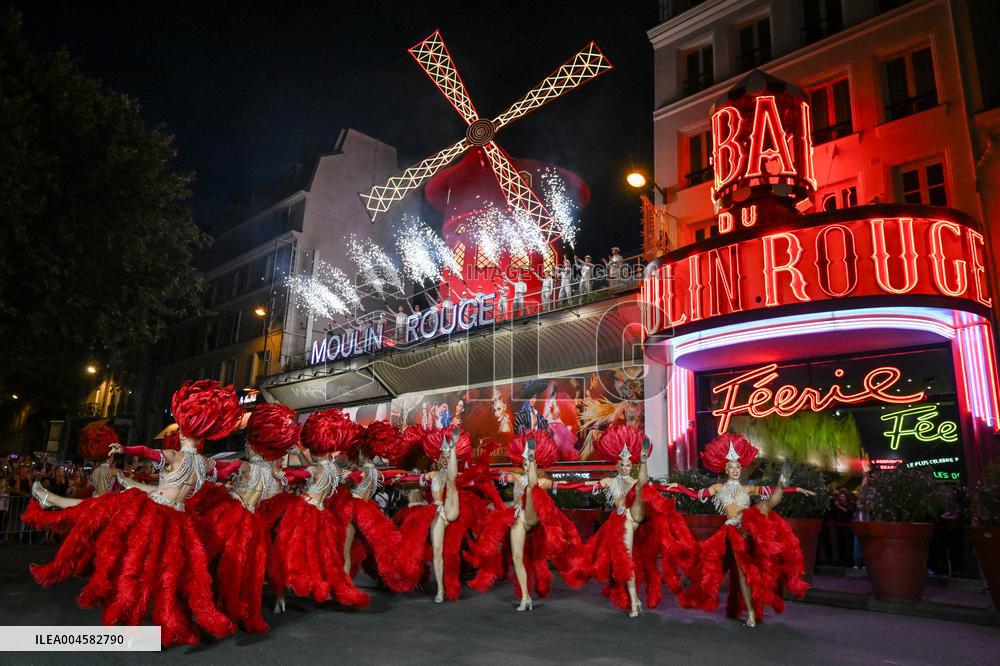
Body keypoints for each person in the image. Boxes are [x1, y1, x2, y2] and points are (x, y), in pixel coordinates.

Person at [24, 380, 244, 646]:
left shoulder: (174, 455)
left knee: (109, 522)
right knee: (166, 574)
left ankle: (50, 499)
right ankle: (167, 625)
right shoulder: (206, 464)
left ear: (186, 432)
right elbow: (224, 470)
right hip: (178, 521)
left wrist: (124, 449)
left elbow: (147, 452)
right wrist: (239, 468)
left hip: (156, 511)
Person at [676, 434, 814, 627]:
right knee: (744, 572)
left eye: (738, 467)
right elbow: (693, 495)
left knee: (766, 505)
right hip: (733, 529)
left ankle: (784, 482)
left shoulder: (747, 489)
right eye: (731, 467)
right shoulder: (718, 487)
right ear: (726, 469)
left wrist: (796, 489)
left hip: (751, 524)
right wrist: (675, 487)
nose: (735, 470)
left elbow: (768, 491)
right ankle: (750, 612)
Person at [187, 402, 300, 633]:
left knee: (211, 560)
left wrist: (207, 465)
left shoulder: (246, 467)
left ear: (253, 447)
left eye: (247, 444)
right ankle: (249, 606)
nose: (246, 447)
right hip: (253, 523)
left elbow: (220, 469)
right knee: (247, 570)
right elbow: (275, 496)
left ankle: (207, 606)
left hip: (232, 517)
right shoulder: (273, 474)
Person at [567, 425, 696, 617]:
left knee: (642, 488)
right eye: (622, 465)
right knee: (625, 560)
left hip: (637, 513)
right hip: (620, 521)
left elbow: (658, 488)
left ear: (631, 466)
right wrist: (560, 486)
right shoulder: (609, 481)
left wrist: (688, 492)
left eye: (629, 465)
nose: (625, 468)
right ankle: (634, 600)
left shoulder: (635, 483)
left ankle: (644, 461)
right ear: (617, 465)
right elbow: (583, 486)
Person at [269, 408, 370, 613]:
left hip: (303, 511)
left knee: (285, 551)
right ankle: (324, 589)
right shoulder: (335, 471)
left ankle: (281, 595)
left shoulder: (316, 470)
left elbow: (292, 474)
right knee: (323, 556)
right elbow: (348, 476)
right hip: (322, 514)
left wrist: (277, 468)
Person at [466, 431, 581, 611]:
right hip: (520, 517)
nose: (526, 464)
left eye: (530, 461)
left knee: (532, 488)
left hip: (534, 516)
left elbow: (565, 484)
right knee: (517, 557)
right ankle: (525, 598)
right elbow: (500, 474)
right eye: (526, 461)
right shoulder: (517, 477)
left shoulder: (541, 481)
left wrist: (567, 483)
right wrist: (503, 474)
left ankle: (534, 458)